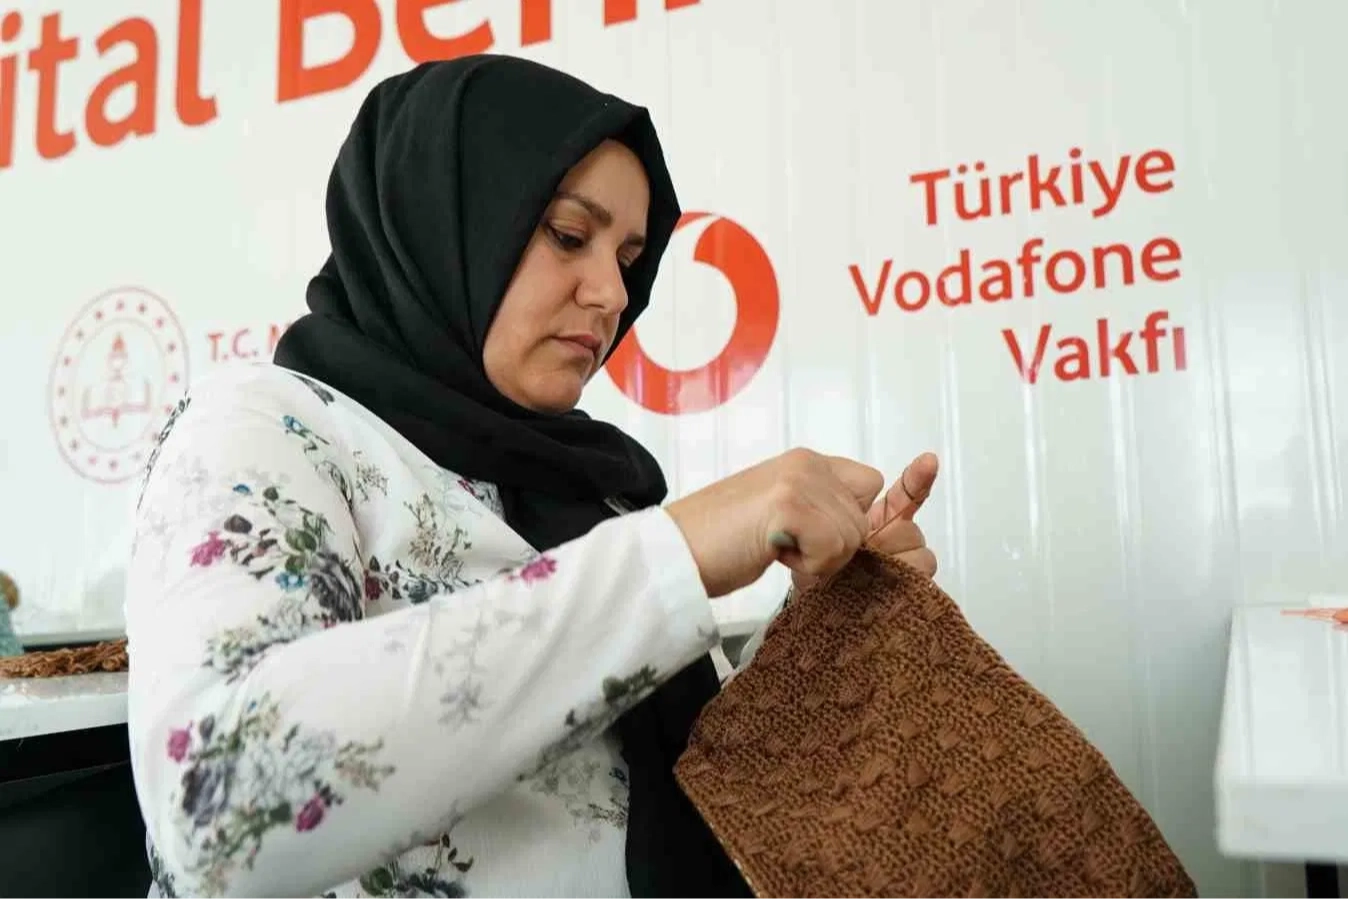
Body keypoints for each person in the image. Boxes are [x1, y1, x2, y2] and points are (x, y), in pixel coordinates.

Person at [125, 54, 939, 899]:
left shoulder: (590, 487)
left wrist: (817, 633)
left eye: (629, 256)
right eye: (568, 235)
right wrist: (674, 554)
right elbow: (214, 814)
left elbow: (683, 784)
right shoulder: (268, 426)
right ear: (443, 219)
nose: (612, 292)